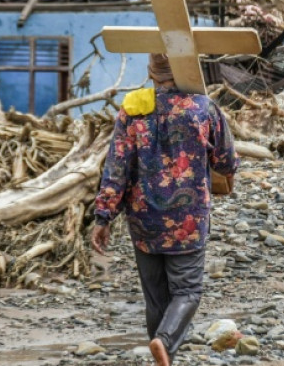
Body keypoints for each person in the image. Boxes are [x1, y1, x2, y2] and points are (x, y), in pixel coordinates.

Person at [91, 53, 238, 366]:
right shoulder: (203, 107)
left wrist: (103, 217)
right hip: (187, 220)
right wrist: (227, 178)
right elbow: (225, 161)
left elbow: (116, 167)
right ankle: (164, 341)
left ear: (150, 72)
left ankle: (162, 355)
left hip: (143, 219)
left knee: (156, 298)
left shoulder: (132, 109)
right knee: (187, 291)